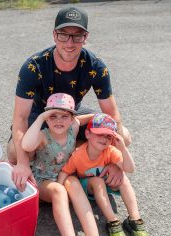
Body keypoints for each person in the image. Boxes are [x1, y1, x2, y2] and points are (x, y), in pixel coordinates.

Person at [8, 6, 131, 192]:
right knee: (15, 153)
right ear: (54, 35)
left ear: (86, 37)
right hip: (40, 114)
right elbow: (20, 118)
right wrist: (23, 163)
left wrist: (117, 162)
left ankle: (75, 161)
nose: (70, 43)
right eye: (64, 35)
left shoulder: (96, 67)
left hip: (72, 114)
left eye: (77, 36)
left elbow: (112, 114)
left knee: (125, 137)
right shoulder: (34, 67)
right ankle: (69, 160)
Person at [22, 93, 116, 236]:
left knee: (72, 183)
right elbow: (26, 145)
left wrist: (103, 120)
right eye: (53, 116)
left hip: (65, 174)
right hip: (44, 181)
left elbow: (87, 118)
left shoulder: (74, 126)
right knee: (59, 191)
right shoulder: (42, 136)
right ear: (47, 118)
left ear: (72, 118)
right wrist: (39, 118)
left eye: (64, 116)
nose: (58, 121)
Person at [58, 113, 150, 236]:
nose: (104, 139)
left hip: (106, 184)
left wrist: (123, 148)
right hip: (88, 187)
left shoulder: (110, 151)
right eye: (100, 134)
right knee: (97, 181)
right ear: (88, 134)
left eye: (108, 136)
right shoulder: (78, 154)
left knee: (123, 178)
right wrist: (62, 194)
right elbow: (64, 172)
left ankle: (135, 218)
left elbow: (130, 169)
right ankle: (112, 221)